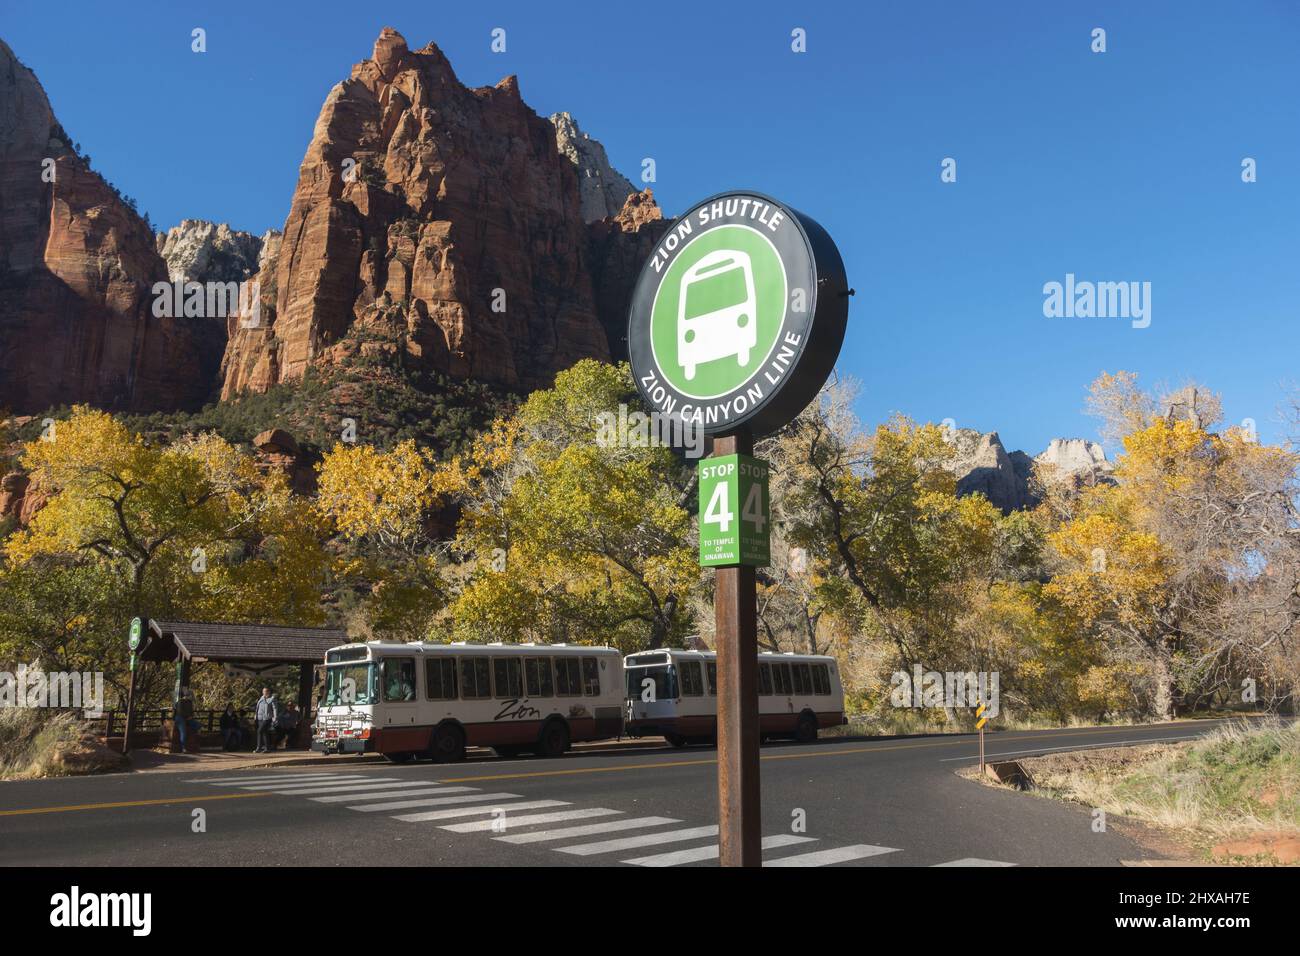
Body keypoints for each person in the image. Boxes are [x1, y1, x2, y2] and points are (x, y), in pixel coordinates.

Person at [254, 687, 278, 753]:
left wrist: (275, 717)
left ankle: (258, 747)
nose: (264, 692)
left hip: (267, 718)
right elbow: (257, 707)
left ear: (269, 692)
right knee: (265, 733)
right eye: (263, 691)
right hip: (260, 718)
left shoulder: (272, 699)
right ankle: (267, 748)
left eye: (266, 691)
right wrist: (256, 715)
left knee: (259, 731)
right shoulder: (261, 698)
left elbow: (275, 709)